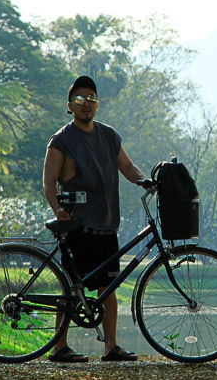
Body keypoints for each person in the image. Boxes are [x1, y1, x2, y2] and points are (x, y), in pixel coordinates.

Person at [42, 75, 152, 362]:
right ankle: (59, 347)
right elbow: (48, 182)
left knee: (109, 287)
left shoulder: (109, 136)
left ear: (97, 103)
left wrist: (146, 182)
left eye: (91, 98)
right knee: (70, 286)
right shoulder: (62, 140)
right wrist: (57, 209)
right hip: (77, 225)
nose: (85, 104)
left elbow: (127, 166)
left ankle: (111, 346)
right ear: (69, 105)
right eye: (79, 99)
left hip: (106, 224)